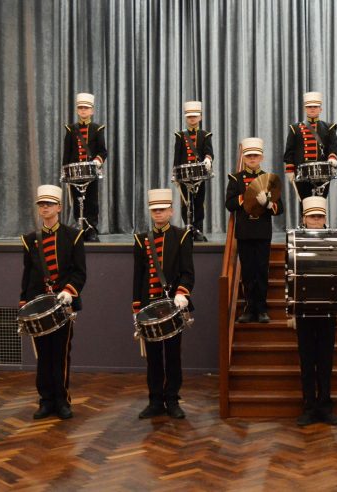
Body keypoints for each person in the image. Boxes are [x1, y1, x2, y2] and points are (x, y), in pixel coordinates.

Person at [20, 185, 86, 420]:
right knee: (43, 355)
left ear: (59, 207)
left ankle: (62, 400)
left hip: (63, 306)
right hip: (39, 307)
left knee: (60, 354)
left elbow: (80, 272)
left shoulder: (73, 236)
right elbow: (28, 275)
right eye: (41, 204)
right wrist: (25, 304)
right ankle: (46, 400)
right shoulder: (30, 240)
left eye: (49, 204)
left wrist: (69, 291)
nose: (45, 208)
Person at [132, 188, 195, 419]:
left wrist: (182, 292)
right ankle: (155, 400)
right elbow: (138, 276)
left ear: (171, 211)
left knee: (173, 355)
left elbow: (188, 272)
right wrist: (137, 308)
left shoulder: (182, 236)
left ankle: (172, 399)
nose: (158, 213)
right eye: (154, 210)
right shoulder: (141, 240)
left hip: (173, 306)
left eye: (162, 210)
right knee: (153, 357)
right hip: (149, 307)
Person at [226, 137, 284, 323]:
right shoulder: (235, 179)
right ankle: (249, 308)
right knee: (248, 272)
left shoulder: (269, 179)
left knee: (261, 271)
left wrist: (268, 203)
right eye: (249, 156)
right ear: (244, 157)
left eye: (255, 156)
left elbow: (280, 209)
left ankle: (261, 309)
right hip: (244, 232)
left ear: (262, 157)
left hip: (262, 231)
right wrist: (246, 196)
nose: (252, 159)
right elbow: (229, 204)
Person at [292, 196, 337, 427]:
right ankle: (309, 407)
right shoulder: (295, 240)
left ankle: (325, 406)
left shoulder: (335, 240)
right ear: (304, 219)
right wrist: (291, 311)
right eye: (312, 217)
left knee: (325, 361)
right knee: (307, 361)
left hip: (328, 310)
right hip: (303, 310)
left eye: (320, 217)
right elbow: (290, 275)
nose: (316, 221)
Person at [62, 92, 108, 242]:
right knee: (77, 200)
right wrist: (65, 172)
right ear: (77, 110)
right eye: (80, 108)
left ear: (92, 110)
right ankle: (80, 226)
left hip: (91, 171)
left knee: (91, 201)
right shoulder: (70, 129)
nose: (83, 110)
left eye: (86, 108)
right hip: (74, 172)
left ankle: (91, 229)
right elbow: (67, 153)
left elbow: (103, 151)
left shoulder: (97, 128)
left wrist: (96, 161)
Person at [283, 91, 337, 201]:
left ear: (320, 109)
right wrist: (290, 169)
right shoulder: (295, 128)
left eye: (315, 106)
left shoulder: (328, 127)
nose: (312, 109)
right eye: (309, 107)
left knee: (320, 205)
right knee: (305, 205)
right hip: (301, 173)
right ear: (305, 109)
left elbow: (334, 145)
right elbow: (289, 151)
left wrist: (332, 157)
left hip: (322, 174)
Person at [173, 100, 214, 242]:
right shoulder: (180, 135)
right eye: (190, 116)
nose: (192, 119)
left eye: (195, 116)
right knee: (186, 203)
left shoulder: (205, 135)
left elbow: (209, 152)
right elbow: (177, 157)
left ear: (200, 117)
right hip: (184, 175)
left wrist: (208, 159)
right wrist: (175, 174)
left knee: (199, 203)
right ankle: (188, 228)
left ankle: (198, 230)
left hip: (199, 175)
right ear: (186, 118)